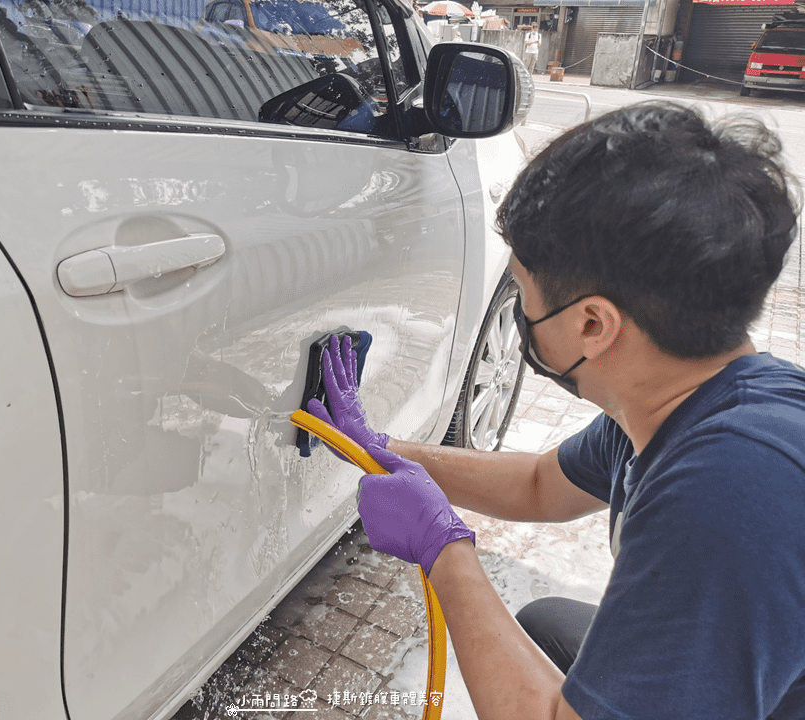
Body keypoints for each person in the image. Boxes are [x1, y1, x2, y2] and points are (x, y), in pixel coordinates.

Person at [307, 102, 805, 719]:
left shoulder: (730, 491)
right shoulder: (688, 399)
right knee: (547, 623)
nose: (518, 309)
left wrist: (445, 551)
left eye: (523, 289)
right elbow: (542, 486)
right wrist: (380, 449)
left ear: (593, 323)